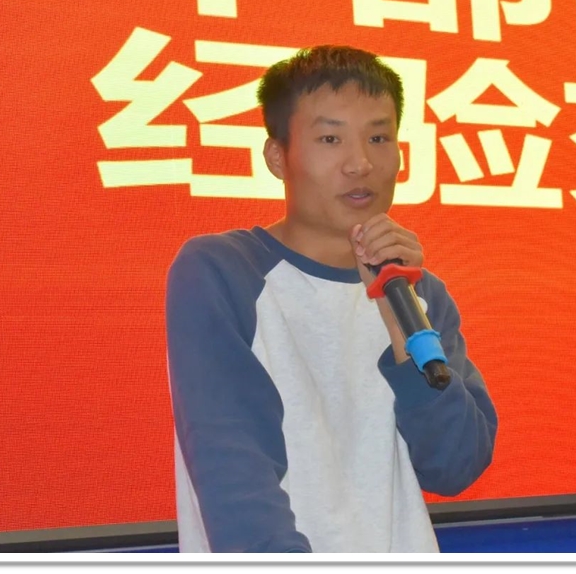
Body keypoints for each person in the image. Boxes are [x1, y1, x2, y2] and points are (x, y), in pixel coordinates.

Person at [165, 45, 498, 553]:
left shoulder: (417, 291)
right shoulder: (223, 271)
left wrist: (397, 320)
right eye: (330, 138)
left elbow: (455, 465)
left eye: (379, 138)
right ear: (278, 157)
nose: (360, 163)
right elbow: (234, 473)